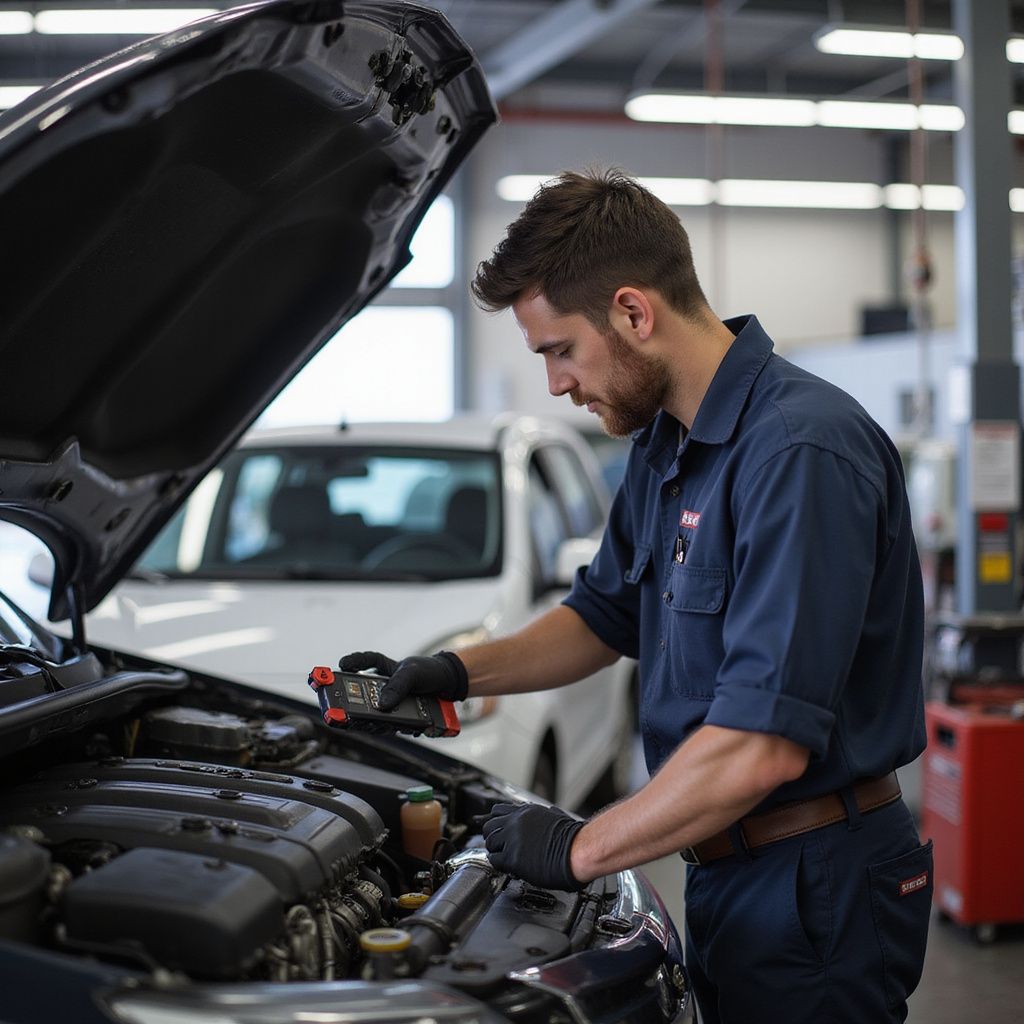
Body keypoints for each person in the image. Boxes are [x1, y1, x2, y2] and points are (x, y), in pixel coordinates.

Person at [340, 169, 932, 1023]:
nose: (555, 384)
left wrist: (581, 846)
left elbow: (760, 747)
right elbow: (602, 616)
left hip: (817, 883)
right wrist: (448, 672)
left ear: (633, 312)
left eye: (558, 351)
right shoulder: (665, 445)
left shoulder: (800, 453)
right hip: (727, 868)